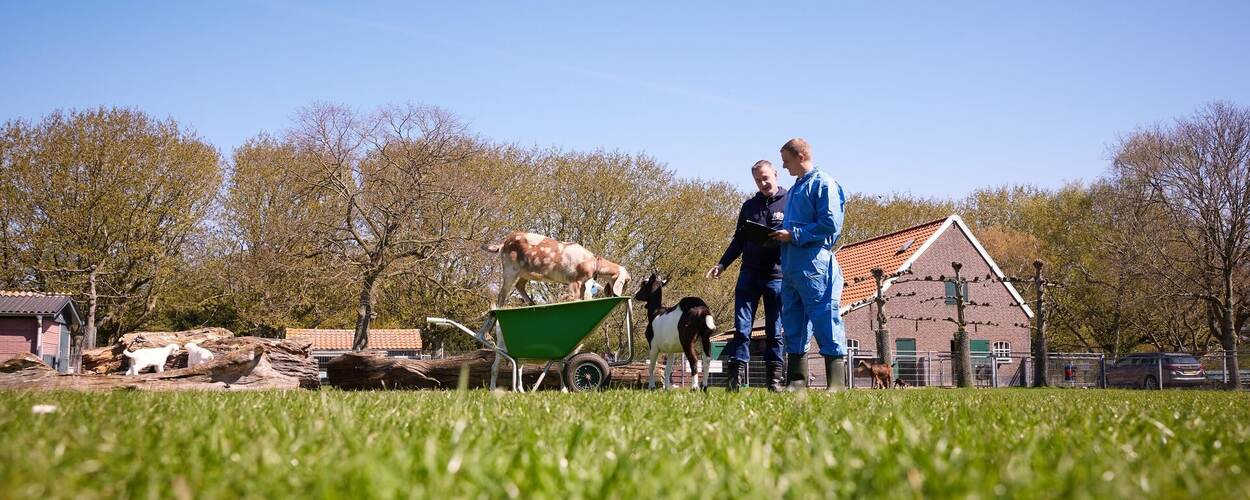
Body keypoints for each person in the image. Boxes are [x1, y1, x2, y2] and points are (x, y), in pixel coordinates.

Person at [769, 138, 848, 391]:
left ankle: (836, 383)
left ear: (800, 157)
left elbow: (830, 224)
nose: (784, 166)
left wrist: (794, 235)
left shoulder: (823, 183)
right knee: (793, 322)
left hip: (815, 265)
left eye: (786, 161)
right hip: (791, 266)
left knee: (825, 318)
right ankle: (797, 381)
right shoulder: (795, 189)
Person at [706, 160, 787, 391]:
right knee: (742, 330)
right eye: (758, 180)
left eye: (765, 178)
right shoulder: (749, 206)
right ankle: (735, 381)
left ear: (775, 174)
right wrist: (722, 264)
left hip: (777, 276)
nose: (763, 183)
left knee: (775, 331)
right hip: (749, 274)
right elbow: (739, 240)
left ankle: (774, 381)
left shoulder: (791, 201)